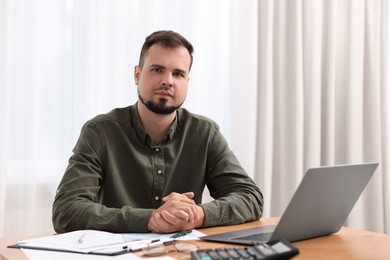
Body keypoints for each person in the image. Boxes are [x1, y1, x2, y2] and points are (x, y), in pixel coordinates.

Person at [52, 30, 263, 234]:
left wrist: (197, 214)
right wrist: (151, 219)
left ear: (187, 82)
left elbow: (250, 197)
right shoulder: (99, 132)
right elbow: (67, 210)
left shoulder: (205, 133)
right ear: (137, 74)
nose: (168, 81)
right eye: (157, 70)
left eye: (178, 74)